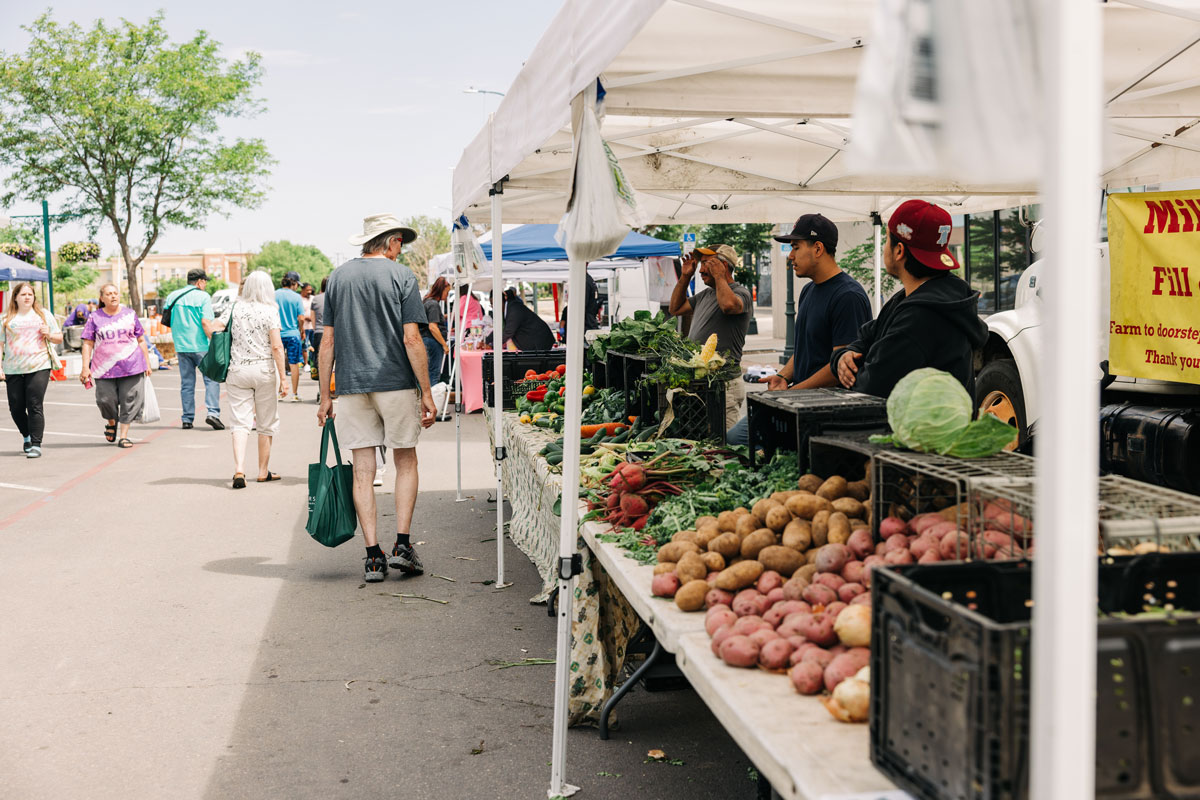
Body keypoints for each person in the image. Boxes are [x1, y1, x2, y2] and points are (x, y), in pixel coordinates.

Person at [318, 213, 436, 583]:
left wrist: (325, 395)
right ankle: (402, 544)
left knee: (363, 471)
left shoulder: (337, 277)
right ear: (390, 242)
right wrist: (428, 392)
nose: (401, 249)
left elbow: (329, 340)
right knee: (404, 460)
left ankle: (372, 556)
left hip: (352, 386)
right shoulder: (400, 276)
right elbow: (412, 338)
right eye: (401, 242)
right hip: (396, 382)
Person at [726, 215, 872, 445]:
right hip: (799, 400)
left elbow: (842, 368)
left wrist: (790, 395)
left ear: (818, 248)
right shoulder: (809, 291)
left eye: (795, 247)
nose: (790, 256)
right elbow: (805, 348)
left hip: (824, 411)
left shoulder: (848, 297)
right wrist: (784, 376)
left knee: (737, 439)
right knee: (734, 439)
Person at [832, 200, 989, 397]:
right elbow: (867, 335)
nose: (884, 248)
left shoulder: (920, 316)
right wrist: (844, 355)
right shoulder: (917, 298)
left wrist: (848, 365)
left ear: (899, 251)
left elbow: (870, 387)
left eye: (887, 240)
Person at [204, 270, 288, 488]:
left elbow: (214, 328)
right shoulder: (270, 311)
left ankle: (239, 469)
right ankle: (262, 471)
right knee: (266, 423)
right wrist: (285, 378)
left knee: (240, 423)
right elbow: (277, 346)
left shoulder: (234, 308)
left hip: (237, 371)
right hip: (264, 371)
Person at [667, 243, 753, 428]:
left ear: (723, 266)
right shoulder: (705, 295)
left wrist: (720, 277)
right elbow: (675, 308)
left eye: (707, 263)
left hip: (724, 385)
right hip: (701, 384)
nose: (700, 269)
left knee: (725, 444)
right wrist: (684, 276)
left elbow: (728, 306)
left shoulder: (741, 293)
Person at [80, 283, 152, 448]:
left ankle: (124, 435)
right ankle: (112, 421)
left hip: (132, 365)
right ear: (102, 298)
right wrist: (85, 367)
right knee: (105, 400)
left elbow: (141, 340)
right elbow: (87, 343)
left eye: (115, 293)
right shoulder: (95, 317)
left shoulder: (129, 314)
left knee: (130, 399)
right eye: (109, 294)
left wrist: (147, 363)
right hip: (104, 368)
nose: (113, 296)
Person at [0, 282, 62, 457]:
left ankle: (36, 444)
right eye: (23, 294)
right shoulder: (6, 319)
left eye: (30, 294)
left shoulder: (44, 315)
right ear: (16, 297)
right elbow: (0, 344)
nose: (27, 297)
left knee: (34, 404)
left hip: (39, 365)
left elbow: (58, 338)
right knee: (16, 407)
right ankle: (26, 435)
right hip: (13, 368)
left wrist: (49, 334)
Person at [163, 268, 224, 431]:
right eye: (205, 282)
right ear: (200, 282)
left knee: (187, 384)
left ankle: (187, 419)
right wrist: (215, 341)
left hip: (182, 346)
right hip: (201, 346)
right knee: (211, 380)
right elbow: (206, 323)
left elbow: (167, 320)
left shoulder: (172, 296)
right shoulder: (203, 297)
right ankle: (213, 414)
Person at [275, 271, 306, 402]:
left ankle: (278, 391)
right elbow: (301, 318)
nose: (297, 288)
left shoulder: (274, 294)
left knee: (277, 364)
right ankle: (294, 393)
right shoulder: (296, 297)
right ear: (293, 283)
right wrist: (301, 330)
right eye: (297, 285)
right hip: (293, 334)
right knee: (294, 364)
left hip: (277, 333)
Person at [421, 277, 451, 388]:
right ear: (441, 290)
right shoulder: (433, 304)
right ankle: (433, 400)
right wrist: (444, 345)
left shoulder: (427, 301)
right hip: (432, 342)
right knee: (433, 373)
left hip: (426, 341)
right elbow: (432, 327)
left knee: (427, 373)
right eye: (447, 292)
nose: (447, 295)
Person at [309, 276, 327, 379]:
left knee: (320, 360)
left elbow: (313, 318)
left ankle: (322, 389)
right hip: (335, 332)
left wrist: (316, 329)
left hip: (319, 333)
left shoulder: (316, 299)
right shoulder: (336, 297)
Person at [299, 282, 315, 366]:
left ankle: (313, 363)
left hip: (313, 326)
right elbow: (298, 313)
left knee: (314, 346)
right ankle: (306, 364)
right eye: (307, 290)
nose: (309, 291)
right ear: (303, 290)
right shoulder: (299, 299)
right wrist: (306, 318)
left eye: (310, 290)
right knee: (305, 346)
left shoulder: (313, 298)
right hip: (304, 327)